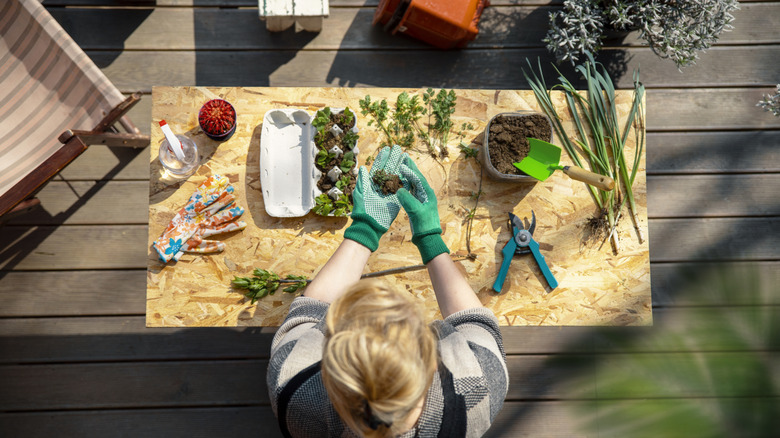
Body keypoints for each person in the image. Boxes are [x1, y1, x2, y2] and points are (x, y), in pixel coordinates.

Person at [267, 146, 508, 437]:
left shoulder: (294, 388)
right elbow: (477, 323)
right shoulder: (477, 389)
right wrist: (430, 236)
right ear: (432, 362)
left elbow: (308, 313)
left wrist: (365, 229)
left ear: (329, 376)